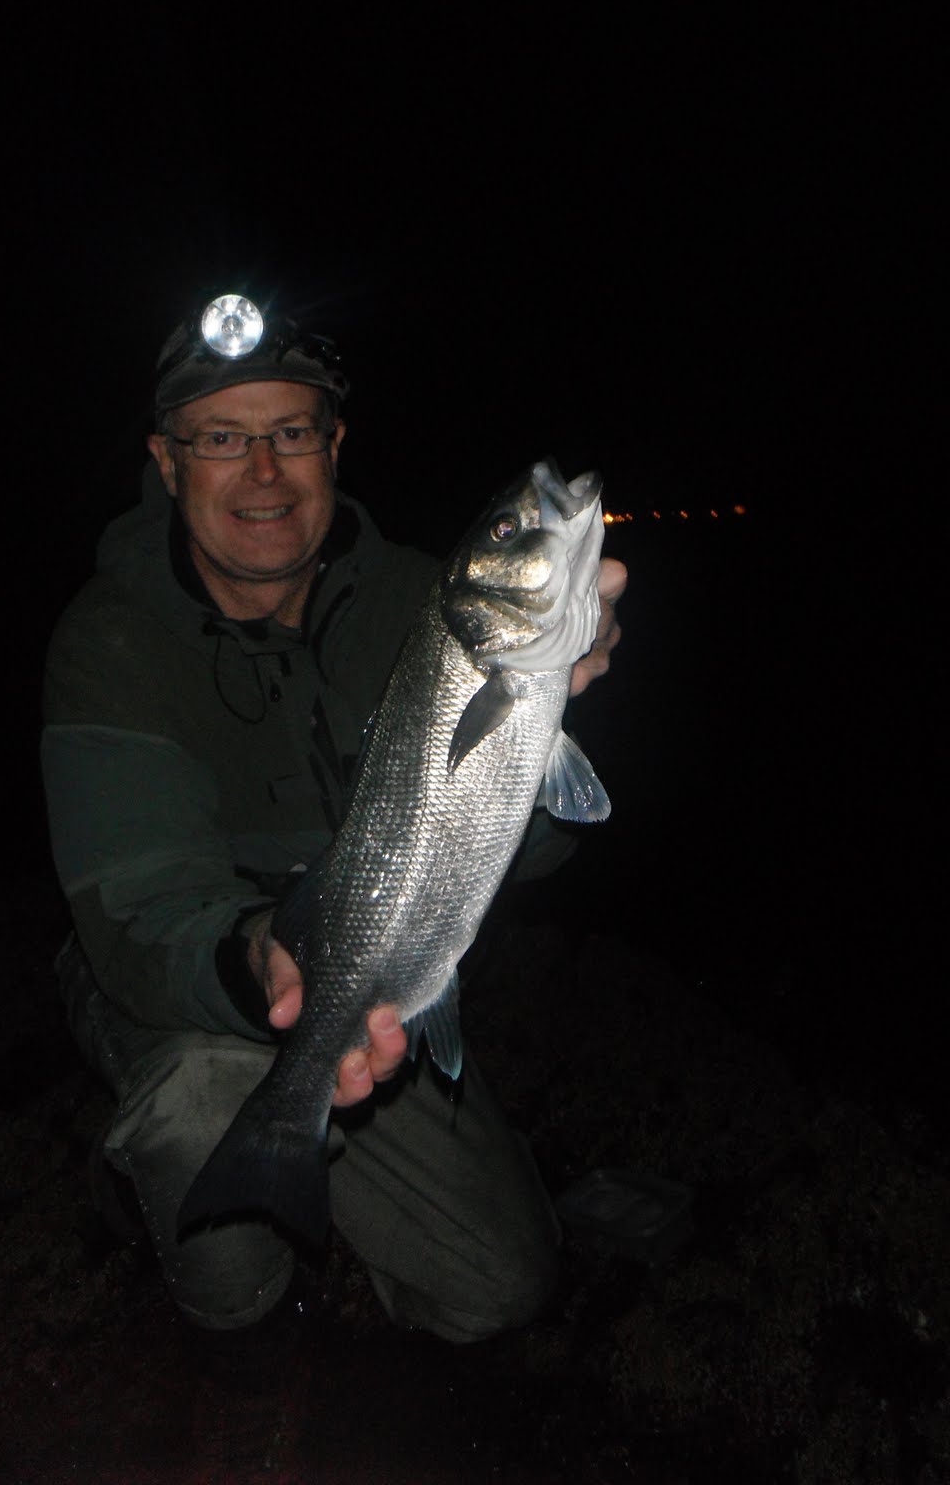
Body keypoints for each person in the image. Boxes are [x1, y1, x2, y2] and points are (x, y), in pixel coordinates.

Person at [41, 290, 626, 1343]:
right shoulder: (110, 643)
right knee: (197, 1099)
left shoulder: (418, 600)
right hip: (194, 980)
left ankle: (319, 1187)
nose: (263, 471)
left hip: (378, 973)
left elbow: (522, 853)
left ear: (334, 446)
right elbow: (137, 912)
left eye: (291, 433)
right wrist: (266, 955)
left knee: (502, 1285)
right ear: (168, 461)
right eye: (222, 438)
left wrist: (549, 724)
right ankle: (234, 1298)